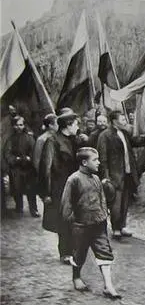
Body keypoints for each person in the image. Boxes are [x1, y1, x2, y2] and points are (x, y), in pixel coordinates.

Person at [60, 147, 121, 298]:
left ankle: (108, 286)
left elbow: (102, 199)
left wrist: (103, 214)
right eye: (95, 160)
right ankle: (76, 277)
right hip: (81, 226)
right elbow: (65, 205)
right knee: (79, 253)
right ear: (84, 162)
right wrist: (73, 222)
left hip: (98, 225)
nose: (99, 162)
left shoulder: (96, 179)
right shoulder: (73, 179)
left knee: (104, 253)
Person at [97, 110, 145, 239]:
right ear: (114, 121)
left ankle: (123, 225)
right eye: (122, 119)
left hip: (128, 172)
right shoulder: (105, 135)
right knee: (116, 202)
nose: (125, 121)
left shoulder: (124, 133)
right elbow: (102, 158)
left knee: (125, 201)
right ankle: (115, 228)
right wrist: (105, 177)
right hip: (115, 174)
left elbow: (136, 141)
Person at [40, 111, 81, 264]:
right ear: (68, 125)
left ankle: (73, 249)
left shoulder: (74, 140)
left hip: (74, 185)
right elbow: (46, 167)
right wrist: (46, 192)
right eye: (76, 124)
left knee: (74, 218)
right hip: (59, 186)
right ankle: (65, 252)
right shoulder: (52, 141)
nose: (78, 127)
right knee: (63, 220)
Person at [3, 116, 39, 217]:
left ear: (24, 125)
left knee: (31, 189)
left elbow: (34, 150)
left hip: (28, 168)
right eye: (16, 125)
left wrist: (30, 158)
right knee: (16, 188)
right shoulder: (10, 139)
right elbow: (7, 153)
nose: (19, 127)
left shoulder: (29, 137)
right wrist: (15, 160)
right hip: (17, 168)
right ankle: (19, 207)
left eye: (21, 125)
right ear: (13, 126)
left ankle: (33, 209)